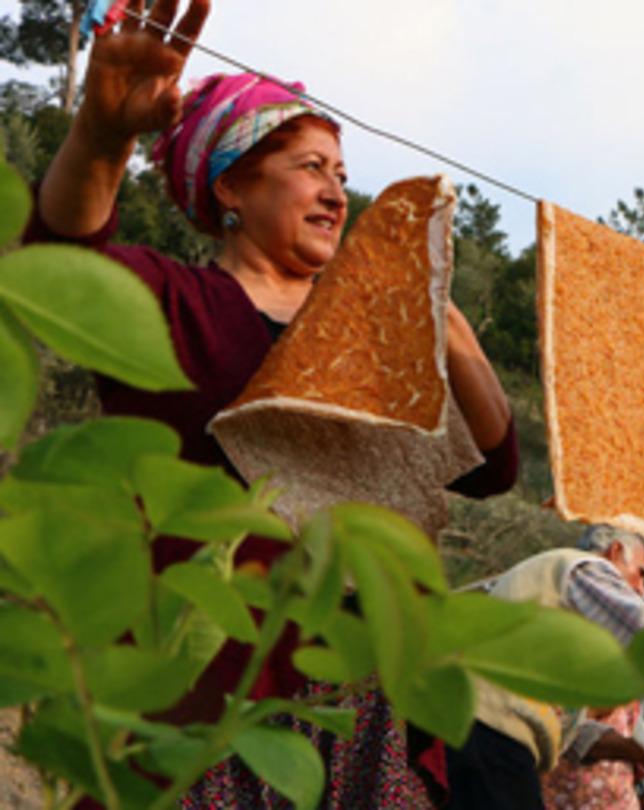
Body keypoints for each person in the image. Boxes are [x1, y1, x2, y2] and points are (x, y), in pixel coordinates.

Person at [27, 1, 517, 807]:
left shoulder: (374, 342)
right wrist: (103, 139)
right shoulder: (178, 303)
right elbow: (61, 264)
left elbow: (490, 469)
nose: (336, 193)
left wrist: (444, 318)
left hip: (360, 701)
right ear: (231, 185)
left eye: (342, 176)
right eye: (312, 167)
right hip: (210, 696)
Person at [446, 525, 644, 810]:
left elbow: (574, 728)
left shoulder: (571, 632)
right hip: (492, 736)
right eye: (641, 573)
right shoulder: (582, 568)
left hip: (486, 739)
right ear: (615, 552)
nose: (640, 589)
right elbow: (643, 630)